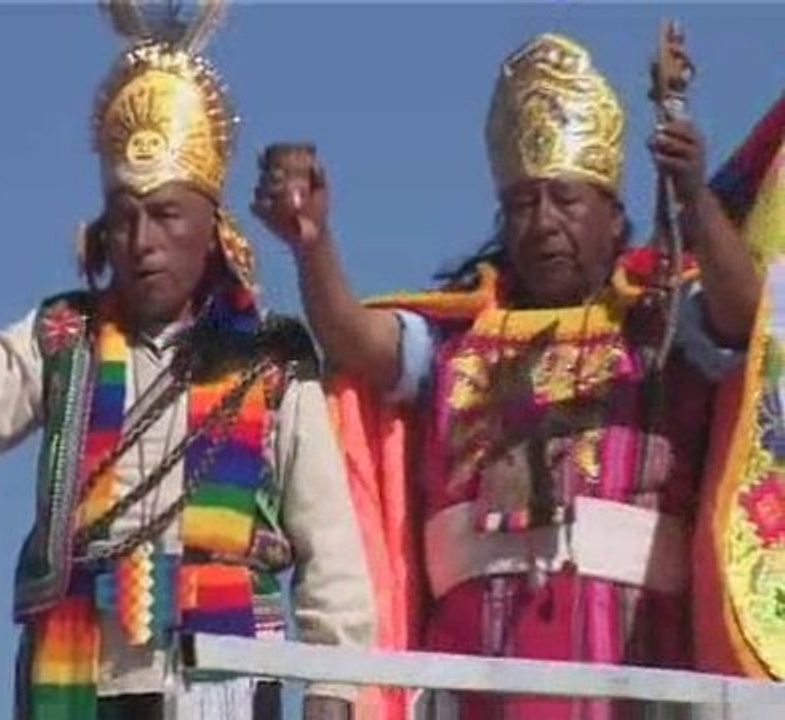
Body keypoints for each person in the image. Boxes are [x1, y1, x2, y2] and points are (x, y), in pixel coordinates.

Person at [0, 3, 373, 720]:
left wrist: (333, 688)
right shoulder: (63, 337)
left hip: (221, 681)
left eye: (166, 214)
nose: (142, 240)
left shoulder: (271, 360)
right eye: (125, 216)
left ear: (212, 226)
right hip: (79, 680)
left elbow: (332, 551)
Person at [253, 33, 763, 719]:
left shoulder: (662, 329)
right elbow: (355, 340)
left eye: (566, 200)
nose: (544, 222)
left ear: (615, 219)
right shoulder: (453, 342)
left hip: (639, 679)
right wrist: (312, 246)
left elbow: (747, 320)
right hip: (473, 685)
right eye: (524, 204)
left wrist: (696, 200)